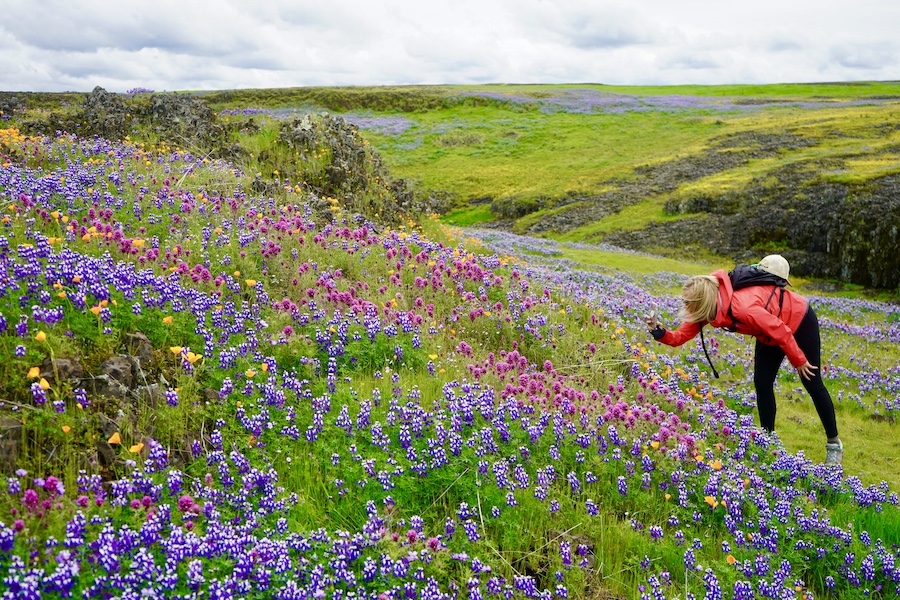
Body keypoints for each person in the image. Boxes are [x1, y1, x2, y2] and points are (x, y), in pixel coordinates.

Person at [646, 255, 843, 465]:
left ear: (701, 302)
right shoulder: (708, 308)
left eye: (689, 303)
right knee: (762, 383)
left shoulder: (743, 308)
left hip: (797, 318)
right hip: (769, 332)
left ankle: (834, 444)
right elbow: (679, 338)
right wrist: (660, 332)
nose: (686, 308)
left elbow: (781, 331)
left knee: (811, 382)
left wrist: (799, 360)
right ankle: (768, 443)